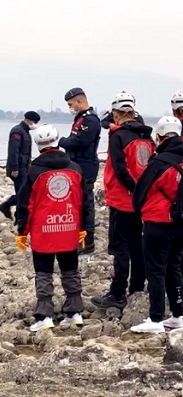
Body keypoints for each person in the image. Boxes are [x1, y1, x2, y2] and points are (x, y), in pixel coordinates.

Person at [15, 124, 87, 332]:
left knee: (44, 272)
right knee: (70, 269)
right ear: (57, 141)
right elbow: (84, 201)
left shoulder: (34, 171)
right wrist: (84, 227)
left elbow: (25, 204)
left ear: (38, 145)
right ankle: (75, 313)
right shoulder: (75, 168)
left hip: (44, 230)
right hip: (69, 227)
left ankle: (45, 315)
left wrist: (22, 231)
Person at [91, 92, 155, 310]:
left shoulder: (118, 136)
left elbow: (120, 169)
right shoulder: (146, 135)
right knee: (138, 245)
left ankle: (118, 292)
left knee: (120, 247)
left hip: (122, 200)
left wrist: (134, 190)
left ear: (117, 114)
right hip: (142, 201)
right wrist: (143, 191)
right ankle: (136, 286)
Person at [130, 116, 183, 334]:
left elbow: (140, 192)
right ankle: (178, 314)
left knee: (156, 270)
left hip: (158, 221)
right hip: (180, 222)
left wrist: (138, 210)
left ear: (159, 137)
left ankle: (155, 318)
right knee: (175, 266)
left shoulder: (159, 162)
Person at [60, 88, 101, 254]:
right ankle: (77, 236)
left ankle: (87, 240)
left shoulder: (90, 120)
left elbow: (80, 141)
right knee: (77, 203)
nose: (70, 107)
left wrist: (62, 141)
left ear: (79, 101)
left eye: (71, 104)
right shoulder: (80, 119)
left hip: (86, 165)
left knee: (86, 204)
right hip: (76, 164)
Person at [0, 111, 40, 220]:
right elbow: (14, 151)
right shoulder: (17, 131)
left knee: (22, 192)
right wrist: (15, 168)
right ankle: (6, 205)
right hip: (18, 168)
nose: (35, 124)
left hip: (24, 167)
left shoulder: (26, 132)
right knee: (24, 194)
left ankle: (19, 216)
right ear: (27, 120)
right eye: (34, 122)